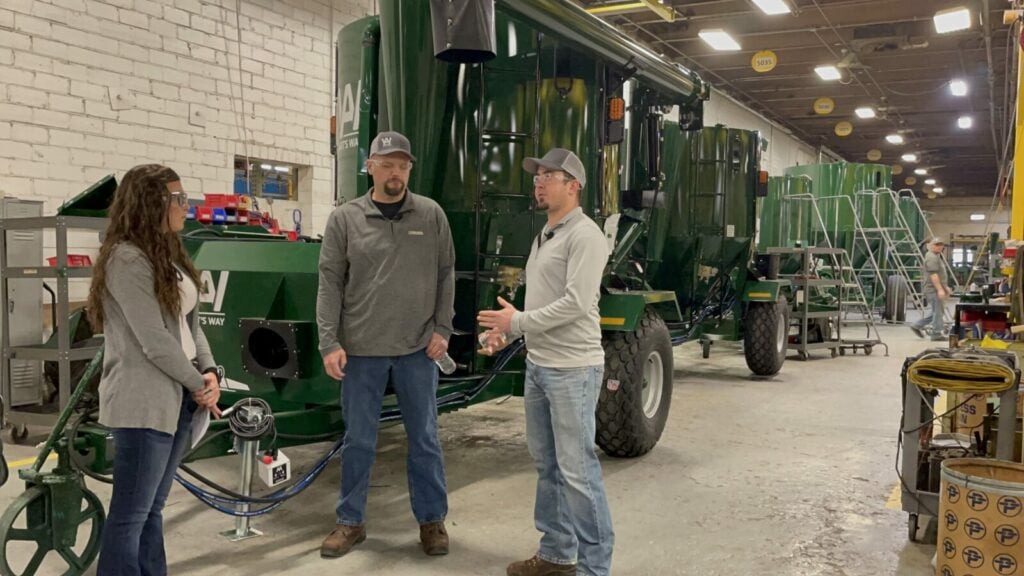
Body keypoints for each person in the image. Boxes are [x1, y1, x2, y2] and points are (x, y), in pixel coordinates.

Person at [316, 130, 455, 558]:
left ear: (409, 169)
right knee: (358, 440)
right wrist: (328, 341)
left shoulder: (431, 215)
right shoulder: (345, 219)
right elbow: (329, 282)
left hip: (417, 349)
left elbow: (447, 273)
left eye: (403, 165)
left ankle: (432, 521)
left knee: (425, 439)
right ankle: (350, 521)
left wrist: (442, 330)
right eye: (387, 164)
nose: (395, 173)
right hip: (360, 351)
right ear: (370, 167)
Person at [478, 148, 614, 576]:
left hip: (573, 369)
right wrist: (507, 332)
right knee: (549, 466)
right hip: (540, 365)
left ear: (573, 186)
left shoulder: (585, 236)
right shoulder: (547, 234)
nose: (538, 182)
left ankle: (595, 568)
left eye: (549, 175)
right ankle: (557, 553)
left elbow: (576, 304)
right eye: (537, 175)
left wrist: (516, 322)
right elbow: (544, 300)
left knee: (578, 472)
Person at [89, 164, 222, 575]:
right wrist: (196, 382)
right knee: (130, 516)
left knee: (153, 510)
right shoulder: (126, 258)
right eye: (178, 199)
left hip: (179, 396)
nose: (186, 207)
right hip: (144, 402)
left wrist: (210, 371)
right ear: (152, 203)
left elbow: (187, 325)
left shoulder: (167, 252)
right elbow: (154, 340)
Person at [910, 237, 950, 341]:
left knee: (936, 311)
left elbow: (940, 275)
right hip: (933, 289)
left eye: (941, 245)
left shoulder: (936, 256)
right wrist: (940, 289)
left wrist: (945, 288)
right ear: (931, 246)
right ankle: (936, 334)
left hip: (937, 288)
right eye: (936, 245)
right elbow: (934, 275)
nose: (939, 247)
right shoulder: (931, 257)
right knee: (937, 311)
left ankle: (917, 325)